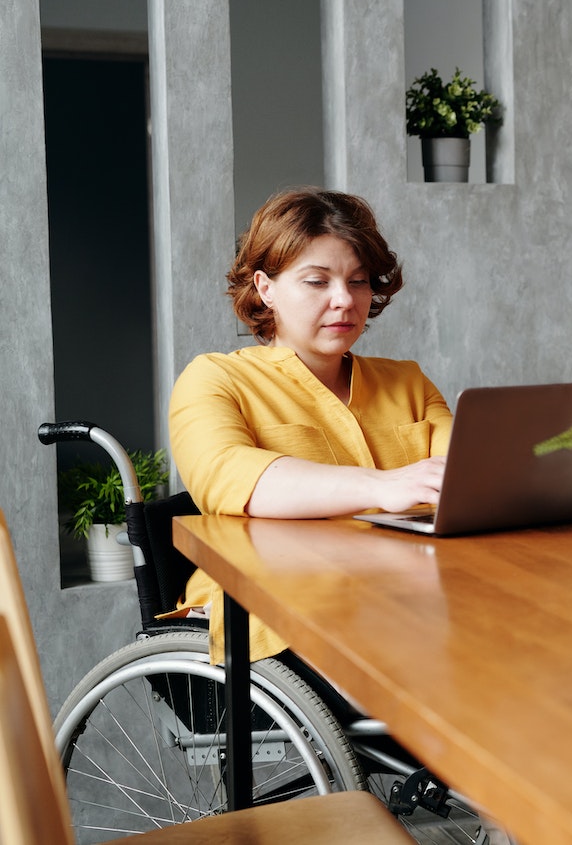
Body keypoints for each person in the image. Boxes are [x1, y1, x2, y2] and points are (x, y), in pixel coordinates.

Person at [165, 187, 452, 662]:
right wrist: (382, 486)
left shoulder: (408, 382)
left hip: (407, 598)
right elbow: (233, 478)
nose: (344, 300)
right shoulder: (215, 379)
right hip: (277, 616)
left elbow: (470, 474)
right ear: (265, 288)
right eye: (318, 282)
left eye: (358, 281)